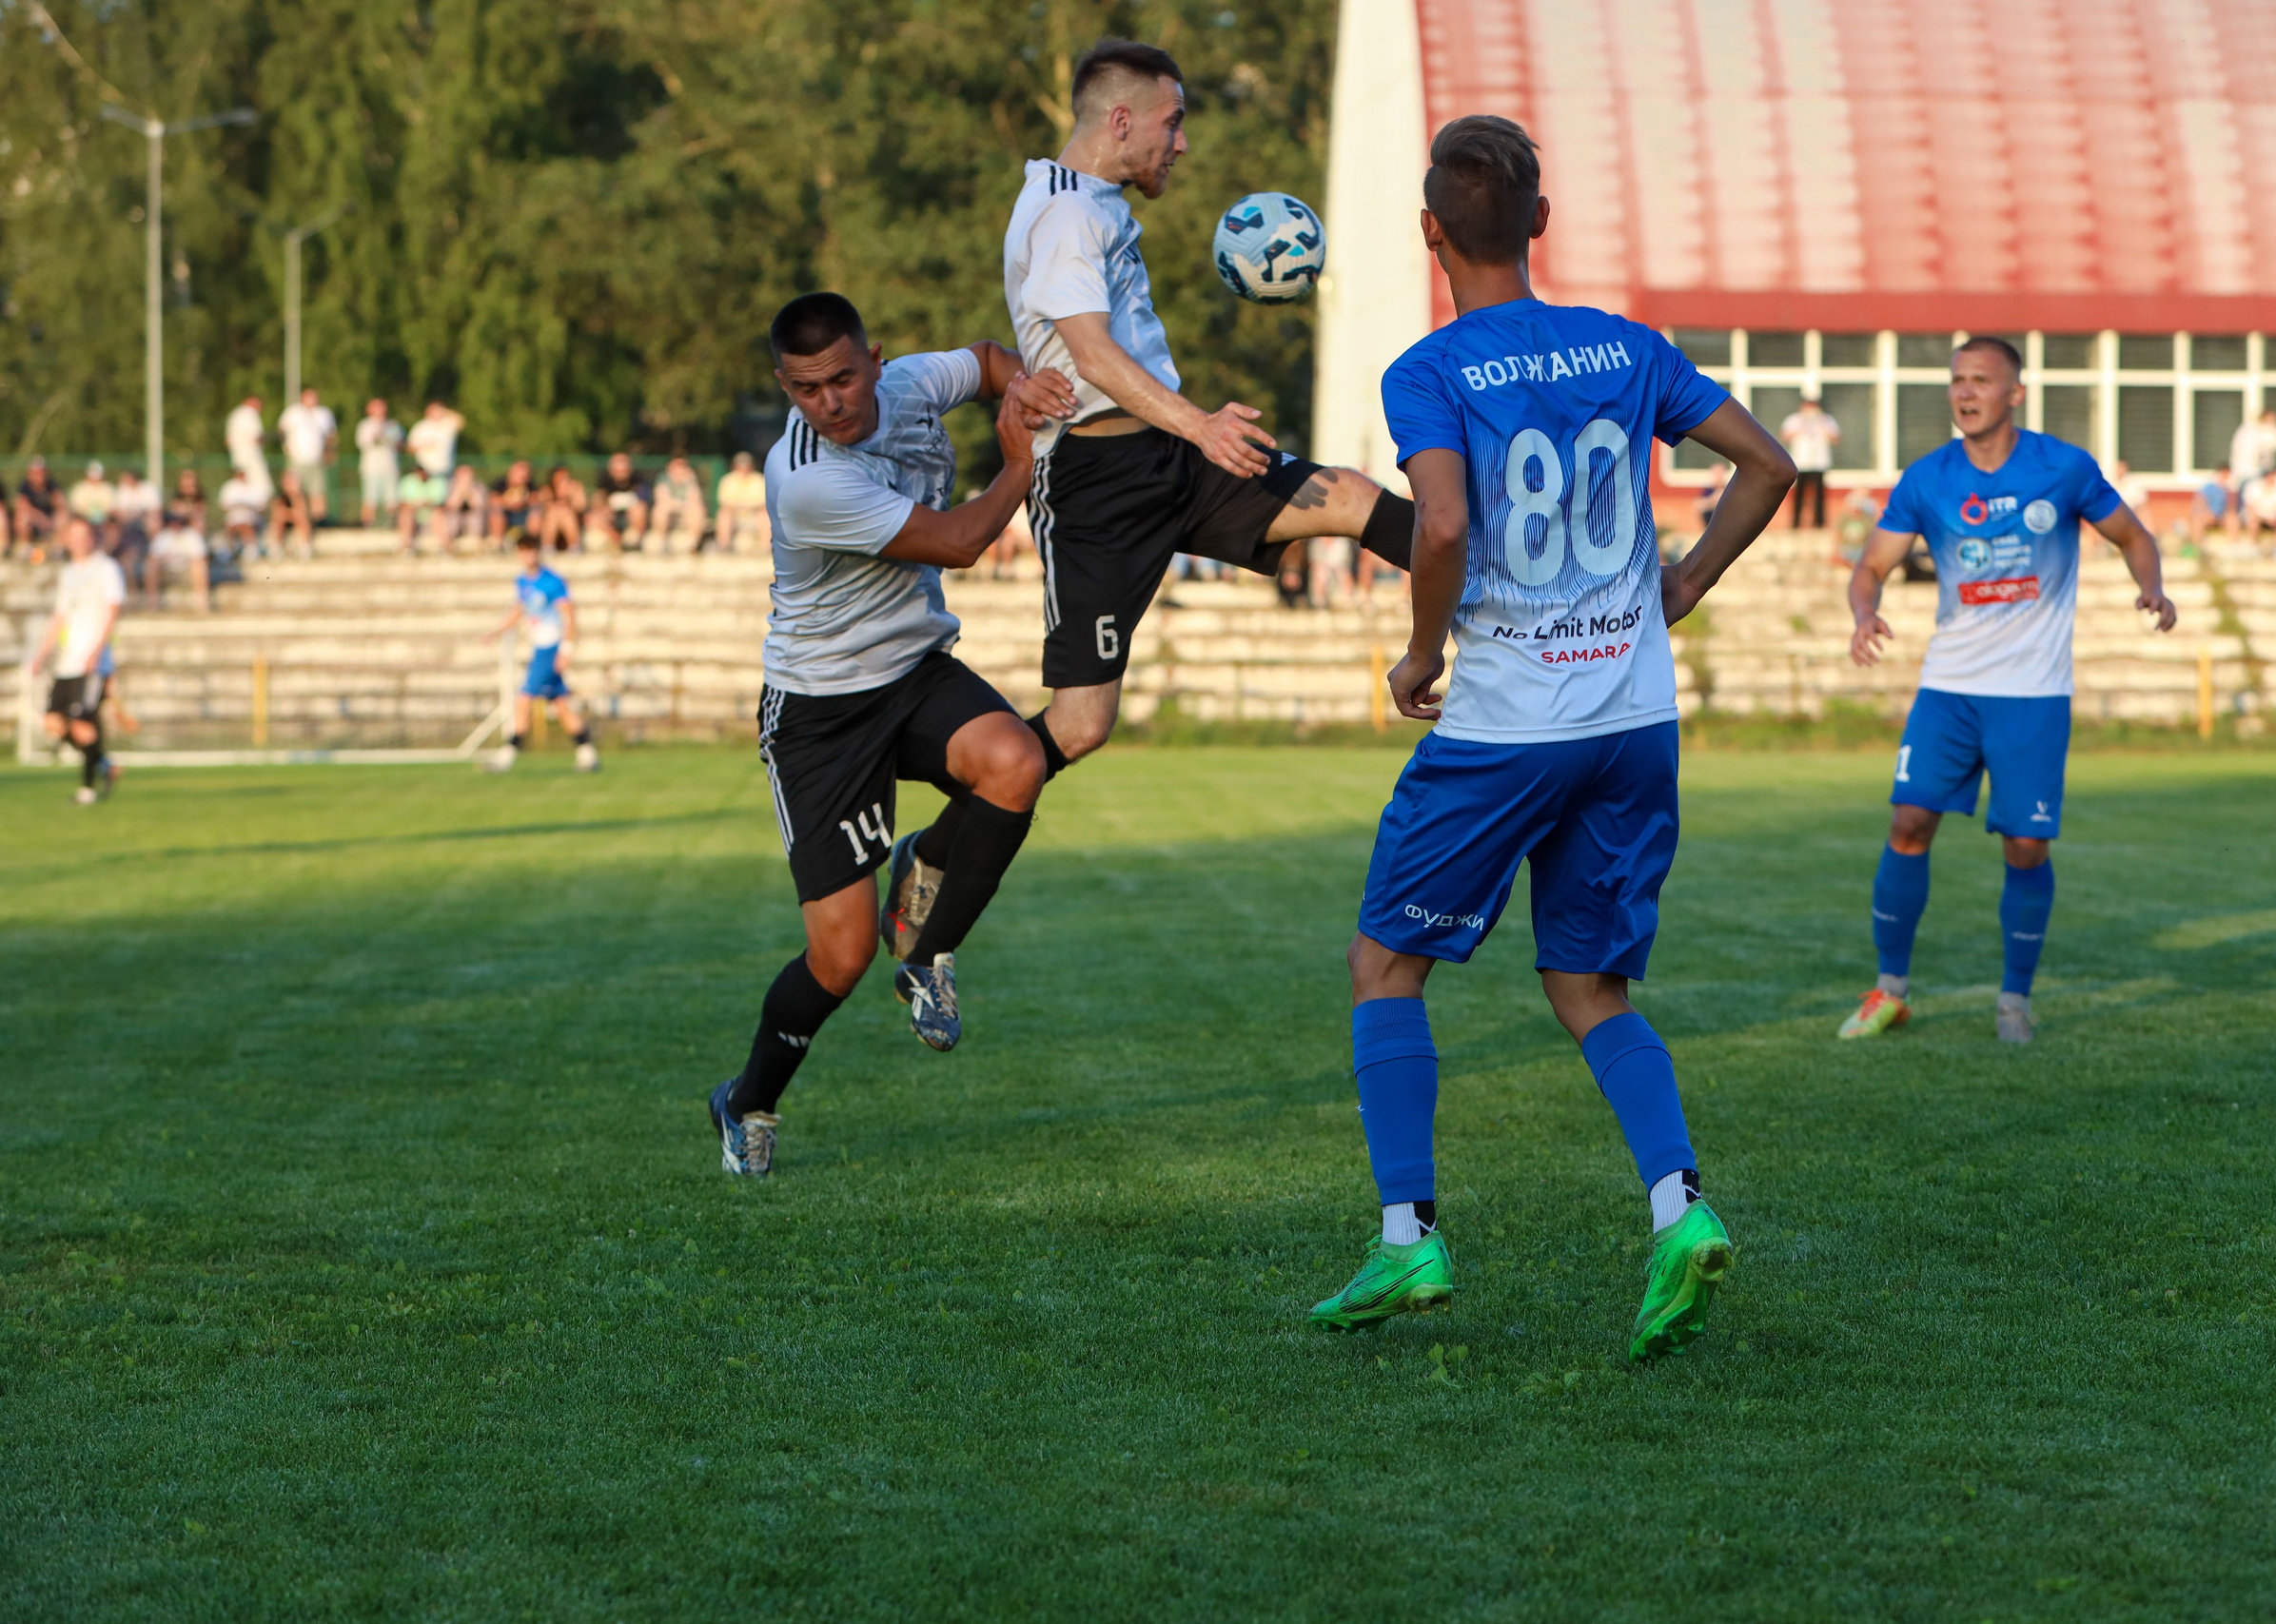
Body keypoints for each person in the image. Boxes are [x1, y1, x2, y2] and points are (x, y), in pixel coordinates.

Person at [1302, 115, 1795, 1358]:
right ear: (1538, 220)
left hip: (1512, 724)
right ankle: (1679, 1208)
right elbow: (1768, 465)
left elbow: (1443, 525)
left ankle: (1408, 1236)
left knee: (1383, 965)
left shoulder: (1429, 369)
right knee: (1587, 984)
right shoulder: (1626, 347)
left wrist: (1421, 652)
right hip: (1633, 718)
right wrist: (1687, 580)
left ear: (1429, 231)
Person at [702, 291, 1072, 1177]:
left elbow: (986, 360)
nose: (828, 402)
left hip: (912, 672)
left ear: (874, 360)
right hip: (821, 713)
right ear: (785, 387)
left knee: (1016, 761)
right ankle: (746, 1100)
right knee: (839, 956)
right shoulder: (805, 479)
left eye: (841, 377)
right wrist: (1020, 461)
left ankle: (929, 952)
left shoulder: (907, 386)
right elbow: (958, 542)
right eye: (805, 389)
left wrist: (1028, 386)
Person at [997, 38, 1416, 784]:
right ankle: (950, 830)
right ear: (1121, 121)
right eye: (1173, 122)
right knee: (1081, 725)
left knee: (1350, 496)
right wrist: (1202, 424)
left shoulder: (1089, 201)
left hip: (1172, 457)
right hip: (1097, 482)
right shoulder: (1065, 212)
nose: (1182, 143)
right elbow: (1090, 353)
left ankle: (1517, 593)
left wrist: (1189, 433)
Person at [1840, 337, 2175, 1047]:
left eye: (1981, 380)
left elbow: (2134, 536)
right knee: (1908, 823)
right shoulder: (1928, 478)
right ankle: (1890, 991)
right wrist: (1865, 612)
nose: (1965, 392)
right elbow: (1870, 566)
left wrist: (2152, 587)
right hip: (1949, 688)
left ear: (2014, 393)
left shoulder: (2063, 468)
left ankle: (2014, 1001)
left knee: (2025, 845)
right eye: (1957, 380)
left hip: (2033, 693)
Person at [22, 517, 127, 804]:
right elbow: (60, 618)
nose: (80, 540)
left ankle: (87, 790)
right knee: (53, 723)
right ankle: (104, 764)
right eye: (75, 535)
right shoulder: (68, 573)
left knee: (82, 725)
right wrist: (41, 656)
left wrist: (97, 651)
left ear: (93, 537)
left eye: (85, 535)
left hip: (93, 663)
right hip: (67, 662)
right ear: (67, 539)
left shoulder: (106, 568)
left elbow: (113, 610)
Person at [483, 533, 600, 774]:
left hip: (550, 648)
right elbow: (519, 610)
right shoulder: (522, 581)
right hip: (539, 647)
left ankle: (508, 755)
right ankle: (588, 754)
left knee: (524, 698)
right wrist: (496, 632)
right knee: (561, 704)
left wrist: (566, 650)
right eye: (524, 550)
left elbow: (569, 615)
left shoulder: (552, 581)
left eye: (532, 549)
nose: (529, 554)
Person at [148, 469, 211, 610]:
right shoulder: (174, 500)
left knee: (199, 561)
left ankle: (202, 601)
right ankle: (152, 602)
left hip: (190, 537)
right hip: (173, 539)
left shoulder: (200, 502)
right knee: (152, 561)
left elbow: (198, 522)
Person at [1780, 389, 1839, 528]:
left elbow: (1835, 439)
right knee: (1799, 495)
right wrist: (1802, 426)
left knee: (1819, 495)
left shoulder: (1826, 420)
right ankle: (1796, 523)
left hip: (1819, 463)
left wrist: (1821, 424)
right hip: (1800, 463)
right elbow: (1785, 437)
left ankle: (1819, 522)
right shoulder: (1794, 420)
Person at [277, 385, 338, 519]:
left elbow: (331, 435)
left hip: (317, 459)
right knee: (295, 491)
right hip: (297, 459)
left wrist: (330, 452)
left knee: (318, 491)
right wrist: (286, 446)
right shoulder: (293, 412)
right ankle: (302, 519)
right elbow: (281, 429)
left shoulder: (324, 413)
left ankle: (319, 519)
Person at [589, 452, 651, 551]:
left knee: (639, 511)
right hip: (610, 526)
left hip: (631, 525)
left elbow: (642, 507)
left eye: (624, 465)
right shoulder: (604, 482)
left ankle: (633, 543)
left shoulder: (638, 481)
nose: (621, 469)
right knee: (593, 524)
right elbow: (596, 506)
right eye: (618, 466)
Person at [357, 398, 403, 524]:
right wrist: (381, 429)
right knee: (370, 498)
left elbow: (400, 445)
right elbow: (367, 443)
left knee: (392, 498)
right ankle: (367, 524)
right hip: (371, 467)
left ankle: (392, 524)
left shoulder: (393, 425)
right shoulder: (365, 425)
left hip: (390, 466)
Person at [648, 454, 708, 553]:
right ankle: (662, 542)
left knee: (697, 510)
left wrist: (690, 481)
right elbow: (662, 499)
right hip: (670, 510)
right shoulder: (663, 479)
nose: (680, 469)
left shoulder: (690, 480)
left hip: (686, 510)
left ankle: (694, 544)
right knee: (661, 510)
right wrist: (680, 504)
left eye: (683, 466)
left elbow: (696, 499)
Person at [715, 452, 768, 551]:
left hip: (754, 514)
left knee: (764, 515)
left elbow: (763, 502)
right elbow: (725, 502)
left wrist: (743, 505)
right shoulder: (728, 480)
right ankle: (724, 546)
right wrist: (746, 505)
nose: (744, 468)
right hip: (735, 515)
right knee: (724, 514)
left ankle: (765, 547)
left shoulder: (758, 479)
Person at [13, 456, 62, 558]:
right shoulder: (25, 487)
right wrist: (41, 519)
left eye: (41, 472)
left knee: (62, 517)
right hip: (35, 521)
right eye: (36, 473)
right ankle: (26, 547)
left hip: (50, 520)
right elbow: (22, 507)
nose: (39, 476)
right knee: (22, 518)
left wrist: (56, 513)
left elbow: (61, 504)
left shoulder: (52, 486)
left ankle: (57, 548)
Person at [405, 400, 464, 482]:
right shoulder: (421, 427)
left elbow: (461, 421)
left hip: (445, 470)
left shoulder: (448, 424)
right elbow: (409, 448)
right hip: (425, 471)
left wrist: (445, 411)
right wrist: (424, 445)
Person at [215, 469, 270, 556]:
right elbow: (224, 506)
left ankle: (248, 548)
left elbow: (262, 506)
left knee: (245, 523)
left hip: (252, 518)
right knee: (239, 523)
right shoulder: (230, 487)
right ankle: (247, 547)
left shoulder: (255, 486)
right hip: (234, 518)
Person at [2228, 408, 2276, 493]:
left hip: (2260, 469)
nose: (2272, 422)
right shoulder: (2250, 430)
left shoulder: (2265, 431)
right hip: (2248, 470)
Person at [265, 469, 316, 558]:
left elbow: (303, 512)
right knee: (279, 519)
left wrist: (294, 497)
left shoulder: (303, 495)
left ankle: (304, 547)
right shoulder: (279, 496)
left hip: (296, 520)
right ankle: (276, 548)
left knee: (301, 519)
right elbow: (277, 512)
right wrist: (290, 513)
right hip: (284, 521)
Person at [537, 465, 586, 552]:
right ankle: (549, 546)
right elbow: (544, 505)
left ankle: (572, 545)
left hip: (572, 518)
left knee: (566, 513)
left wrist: (569, 496)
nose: (562, 479)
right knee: (553, 513)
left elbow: (581, 505)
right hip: (551, 519)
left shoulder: (575, 486)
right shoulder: (547, 489)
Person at [489, 460, 540, 544]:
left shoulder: (530, 485)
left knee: (536, 514)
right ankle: (497, 544)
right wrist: (508, 503)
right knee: (496, 514)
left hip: (524, 514)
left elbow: (535, 498)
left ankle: (531, 544)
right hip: (505, 513)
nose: (523, 476)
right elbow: (493, 499)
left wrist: (523, 502)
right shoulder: (501, 483)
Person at [395, 465, 444, 552]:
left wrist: (426, 504)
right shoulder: (407, 481)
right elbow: (402, 503)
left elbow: (440, 504)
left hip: (431, 515)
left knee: (439, 513)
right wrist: (416, 505)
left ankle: (443, 546)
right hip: (414, 515)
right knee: (406, 513)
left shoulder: (438, 481)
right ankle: (406, 546)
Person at [440, 463, 488, 549]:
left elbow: (478, 505)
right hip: (455, 515)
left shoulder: (479, 486)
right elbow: (451, 505)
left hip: (472, 516)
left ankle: (477, 542)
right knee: (451, 516)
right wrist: (459, 491)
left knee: (477, 515)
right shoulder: (449, 485)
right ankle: (448, 544)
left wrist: (470, 492)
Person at [226, 394, 270, 489]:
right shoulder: (250, 414)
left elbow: (228, 440)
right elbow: (256, 437)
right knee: (260, 485)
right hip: (252, 457)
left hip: (237, 456)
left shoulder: (234, 414)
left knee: (241, 484)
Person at [2192, 465, 2233, 542]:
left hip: (2220, 517)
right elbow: (2200, 503)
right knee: (2198, 521)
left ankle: (2233, 544)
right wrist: (2208, 513)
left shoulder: (2227, 490)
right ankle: (2196, 545)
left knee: (2232, 519)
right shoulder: (2208, 487)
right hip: (2208, 515)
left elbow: (2229, 508)